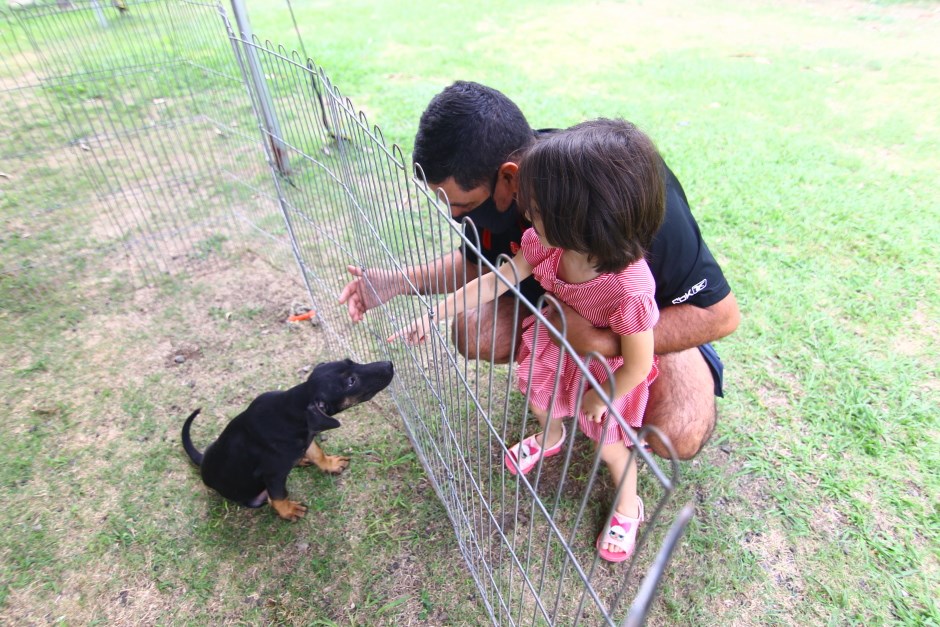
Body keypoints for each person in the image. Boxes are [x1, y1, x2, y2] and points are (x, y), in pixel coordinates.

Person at [339, 81, 740, 460]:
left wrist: (601, 341)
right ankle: (563, 396)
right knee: (472, 329)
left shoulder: (624, 202)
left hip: (639, 321)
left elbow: (719, 315)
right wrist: (400, 281)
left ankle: (621, 411)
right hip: (560, 306)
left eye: (459, 204)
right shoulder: (502, 199)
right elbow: (481, 264)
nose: (455, 215)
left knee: (677, 433)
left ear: (510, 178)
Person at [390, 119, 664, 561]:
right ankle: (551, 434)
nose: (525, 214)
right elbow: (499, 279)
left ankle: (629, 505)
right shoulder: (546, 244)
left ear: (577, 219)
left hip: (605, 377)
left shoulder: (630, 287)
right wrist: (437, 311)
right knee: (541, 402)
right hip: (556, 349)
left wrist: (600, 397)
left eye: (535, 208)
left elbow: (636, 362)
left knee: (610, 447)